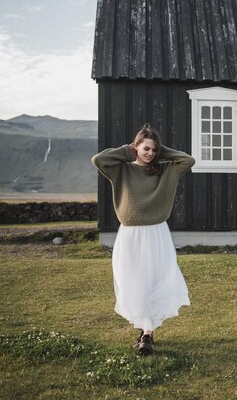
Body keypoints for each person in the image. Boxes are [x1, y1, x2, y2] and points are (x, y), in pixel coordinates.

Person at [91, 123, 195, 355]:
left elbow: (188, 161)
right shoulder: (121, 170)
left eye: (154, 150)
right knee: (132, 282)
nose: (150, 154)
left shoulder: (165, 170)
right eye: (145, 149)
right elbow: (99, 159)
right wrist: (129, 151)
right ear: (135, 147)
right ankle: (144, 329)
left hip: (155, 233)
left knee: (152, 281)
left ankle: (147, 334)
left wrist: (161, 149)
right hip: (129, 234)